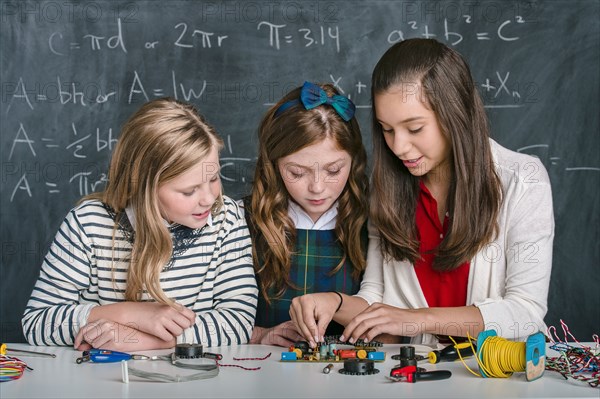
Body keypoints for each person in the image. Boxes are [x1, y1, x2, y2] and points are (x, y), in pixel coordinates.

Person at [290, 39, 554, 347]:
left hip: (497, 381)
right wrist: (334, 303)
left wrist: (416, 318)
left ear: (457, 114)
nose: (399, 147)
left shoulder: (524, 180)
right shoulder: (387, 192)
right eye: (386, 129)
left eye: (414, 128)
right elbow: (375, 301)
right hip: (415, 378)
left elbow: (525, 311)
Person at [22, 98, 258, 351]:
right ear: (145, 187)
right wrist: (131, 315)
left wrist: (140, 341)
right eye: (189, 191)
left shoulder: (227, 219)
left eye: (213, 178)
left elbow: (237, 322)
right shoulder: (87, 224)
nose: (209, 199)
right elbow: (37, 323)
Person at [243, 82, 369, 346]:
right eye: (297, 173)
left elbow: (390, 317)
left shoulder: (373, 223)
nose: (317, 188)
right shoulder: (240, 221)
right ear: (274, 164)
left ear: (354, 161)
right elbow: (209, 313)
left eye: (333, 171)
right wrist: (258, 335)